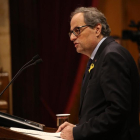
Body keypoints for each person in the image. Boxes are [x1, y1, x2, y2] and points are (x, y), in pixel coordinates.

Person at [56, 7, 139, 140]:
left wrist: (78, 133)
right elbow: (98, 110)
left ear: (97, 29)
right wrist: (79, 128)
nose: (72, 37)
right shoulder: (97, 57)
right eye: (71, 32)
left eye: (77, 30)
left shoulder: (111, 56)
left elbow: (117, 111)